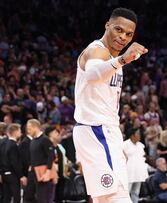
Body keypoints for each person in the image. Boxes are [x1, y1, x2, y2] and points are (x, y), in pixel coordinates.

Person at [72, 7, 148, 203]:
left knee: (104, 198)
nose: (123, 37)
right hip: (97, 129)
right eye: (118, 30)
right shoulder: (97, 50)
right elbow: (92, 74)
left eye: (129, 34)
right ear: (107, 25)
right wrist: (123, 59)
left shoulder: (112, 59)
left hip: (105, 132)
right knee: (118, 197)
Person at [27, 119, 56, 203]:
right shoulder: (32, 141)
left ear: (35, 127)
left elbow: (51, 156)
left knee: (41, 198)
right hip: (32, 173)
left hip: (42, 173)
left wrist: (48, 172)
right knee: (28, 196)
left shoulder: (45, 139)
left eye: (29, 128)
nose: (28, 131)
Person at [0, 123, 27, 203]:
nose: (21, 133)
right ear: (15, 132)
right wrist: (21, 176)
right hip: (13, 175)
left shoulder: (4, 144)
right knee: (16, 197)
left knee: (6, 197)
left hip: (4, 174)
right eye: (19, 131)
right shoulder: (13, 145)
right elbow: (15, 162)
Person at [123, 128, 149, 203]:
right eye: (138, 134)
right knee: (127, 192)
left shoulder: (141, 145)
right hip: (129, 172)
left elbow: (143, 157)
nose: (140, 136)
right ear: (132, 135)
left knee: (136, 192)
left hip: (139, 172)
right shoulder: (125, 144)